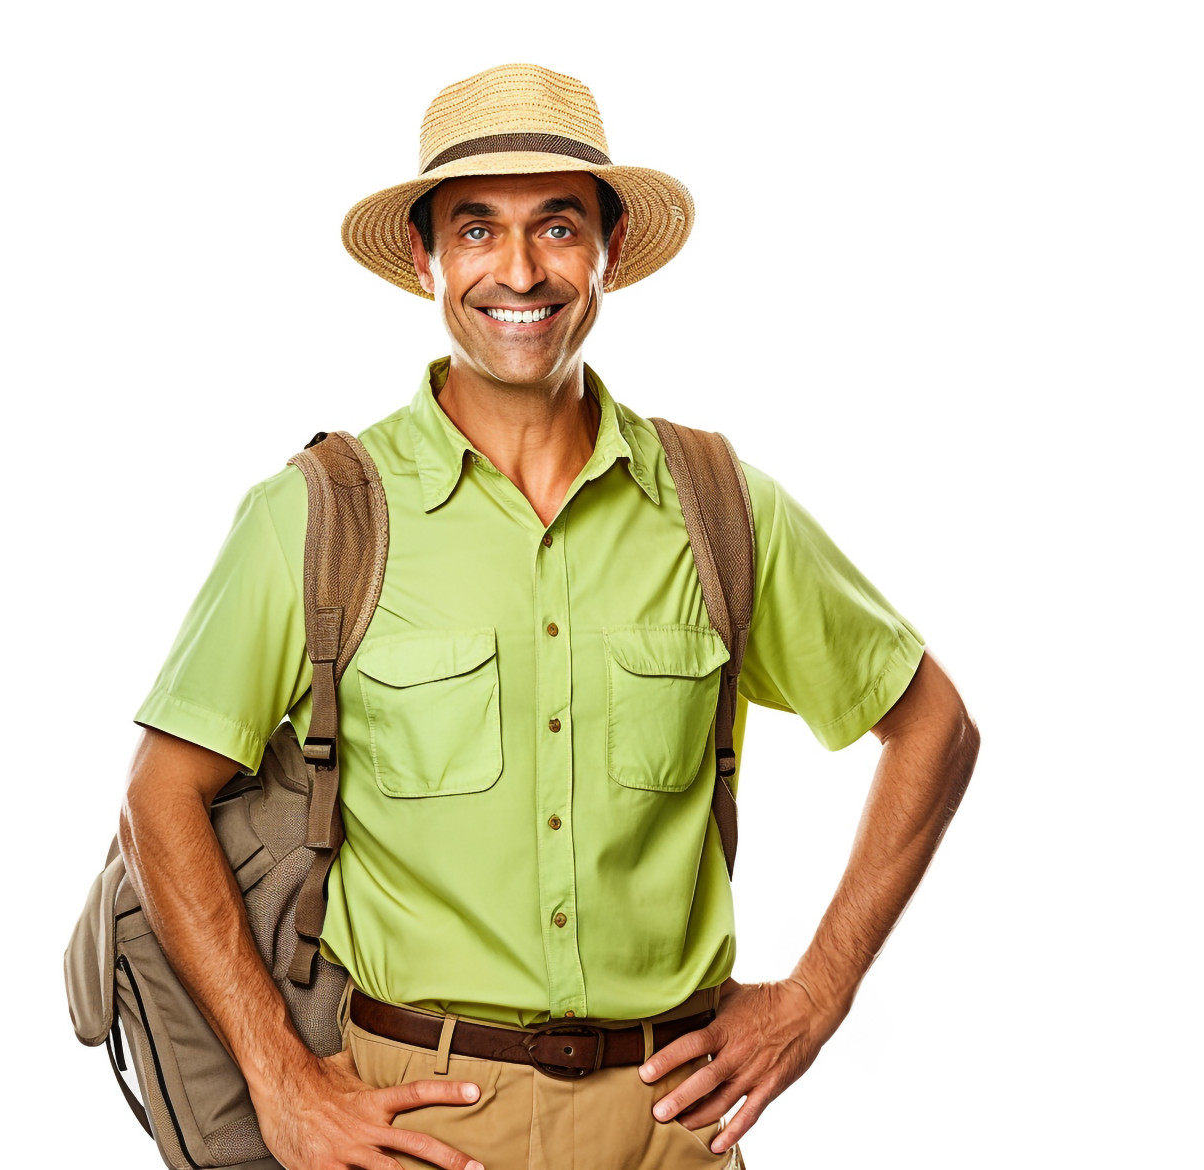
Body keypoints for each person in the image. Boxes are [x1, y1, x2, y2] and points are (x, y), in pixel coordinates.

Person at [119, 63, 980, 1170]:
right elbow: (159, 796)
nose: (518, 271)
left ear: (607, 253)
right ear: (426, 259)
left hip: (671, 1129)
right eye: (476, 230)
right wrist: (280, 1080)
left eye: (556, 228)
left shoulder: (717, 507)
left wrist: (816, 995)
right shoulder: (321, 514)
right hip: (419, 1126)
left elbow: (931, 725)